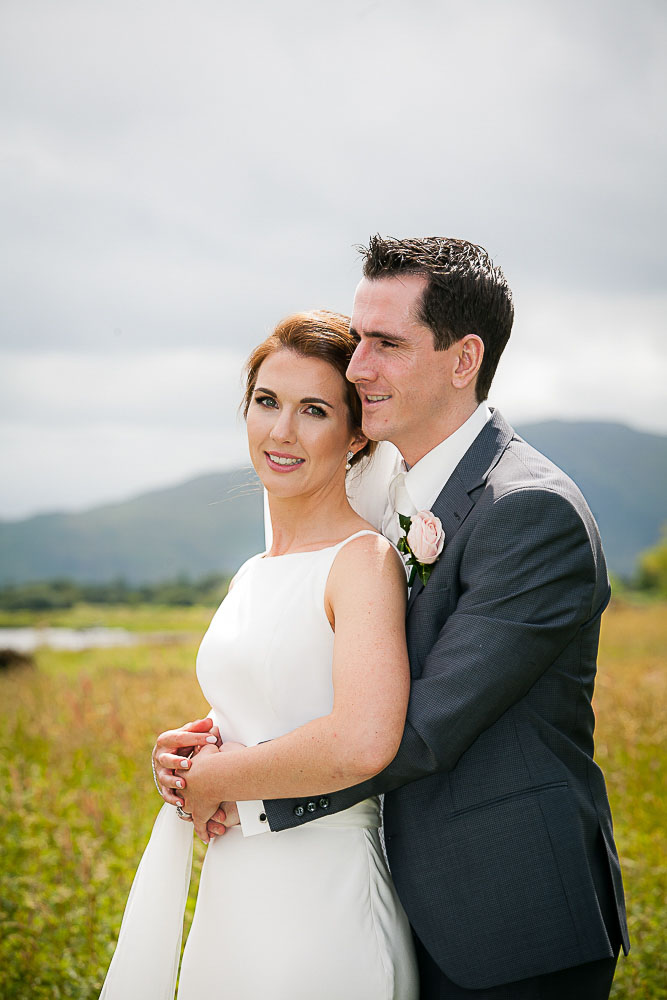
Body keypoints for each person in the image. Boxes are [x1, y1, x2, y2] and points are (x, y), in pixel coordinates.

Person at [164, 236, 629, 1000]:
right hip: (403, 896)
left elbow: (416, 727)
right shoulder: (400, 496)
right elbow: (339, 674)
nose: (356, 367)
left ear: (461, 358)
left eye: (384, 344)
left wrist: (232, 779)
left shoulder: (527, 510)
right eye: (359, 337)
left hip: (508, 911)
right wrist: (211, 742)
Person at [99, 310, 419, 999]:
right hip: (237, 885)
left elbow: (362, 740)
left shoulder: (360, 561)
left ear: (357, 433)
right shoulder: (253, 570)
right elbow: (268, 701)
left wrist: (220, 780)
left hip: (319, 897)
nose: (281, 432)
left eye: (313, 410)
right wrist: (186, 755)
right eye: (266, 402)